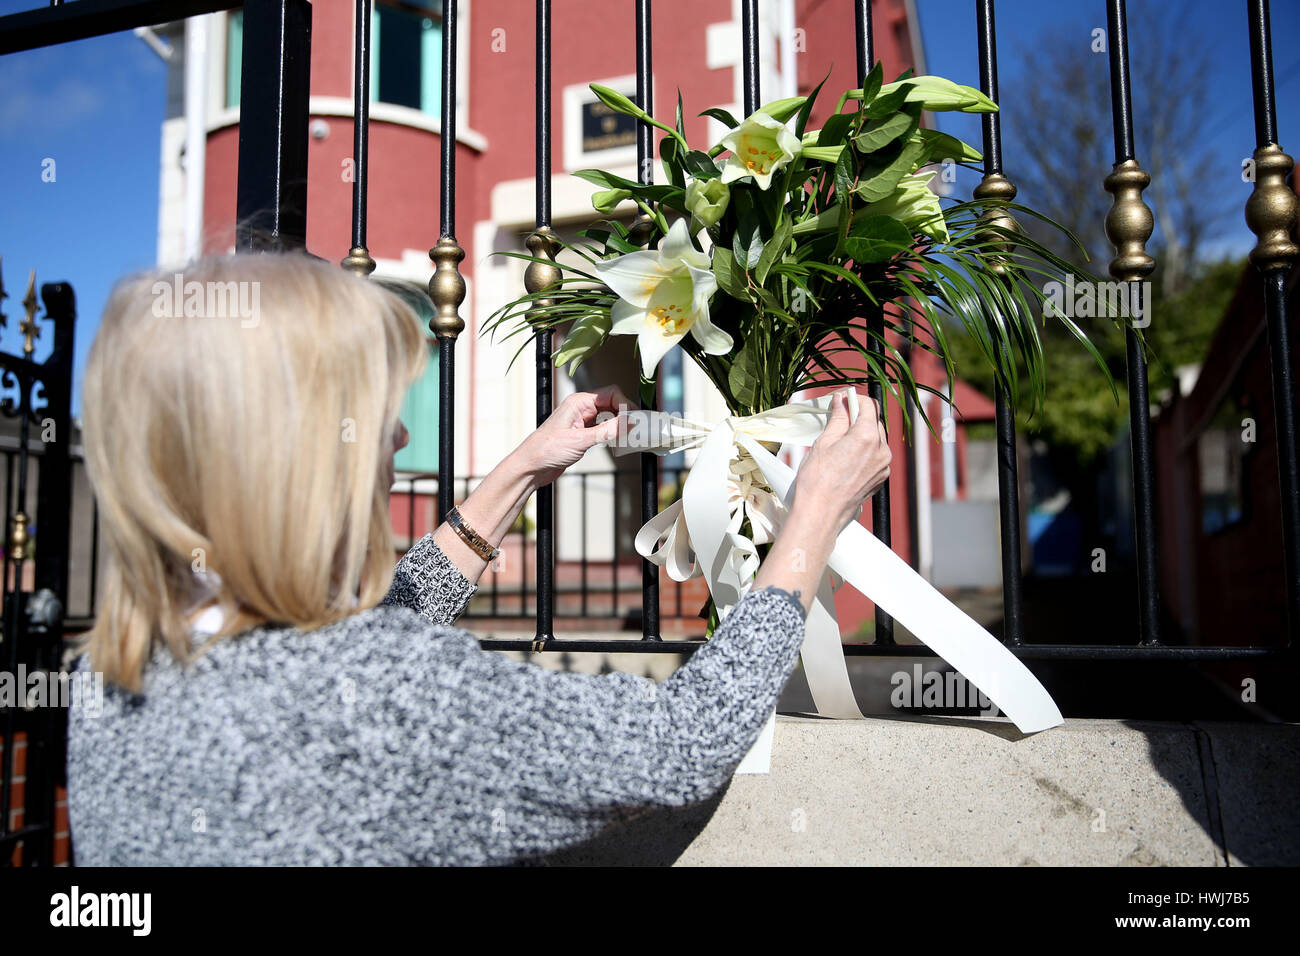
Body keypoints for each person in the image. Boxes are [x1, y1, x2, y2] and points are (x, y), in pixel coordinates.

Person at [67, 251, 891, 865]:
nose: (396, 436)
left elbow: (354, 638)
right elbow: (684, 742)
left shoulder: (115, 672)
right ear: (293, 454)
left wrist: (525, 465)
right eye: (368, 413)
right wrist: (812, 520)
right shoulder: (385, 697)